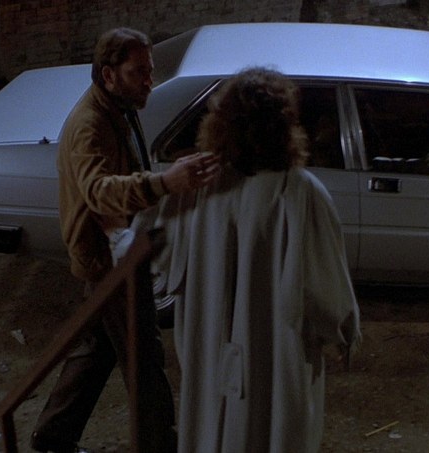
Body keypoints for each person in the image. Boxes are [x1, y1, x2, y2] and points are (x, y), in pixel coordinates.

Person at [144, 67, 361, 452]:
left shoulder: (198, 186)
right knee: (271, 426)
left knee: (214, 427)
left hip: (210, 343)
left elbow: (158, 256)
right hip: (273, 352)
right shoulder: (300, 192)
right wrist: (343, 330)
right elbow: (324, 286)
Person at [31, 27, 219, 453]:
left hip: (119, 250)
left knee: (97, 350)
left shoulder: (119, 107)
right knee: (144, 361)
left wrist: (166, 177)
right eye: (139, 73)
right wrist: (164, 183)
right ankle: (158, 445)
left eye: (150, 71)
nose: (149, 81)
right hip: (109, 260)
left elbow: (127, 170)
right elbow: (98, 190)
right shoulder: (91, 124)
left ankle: (52, 436)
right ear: (108, 74)